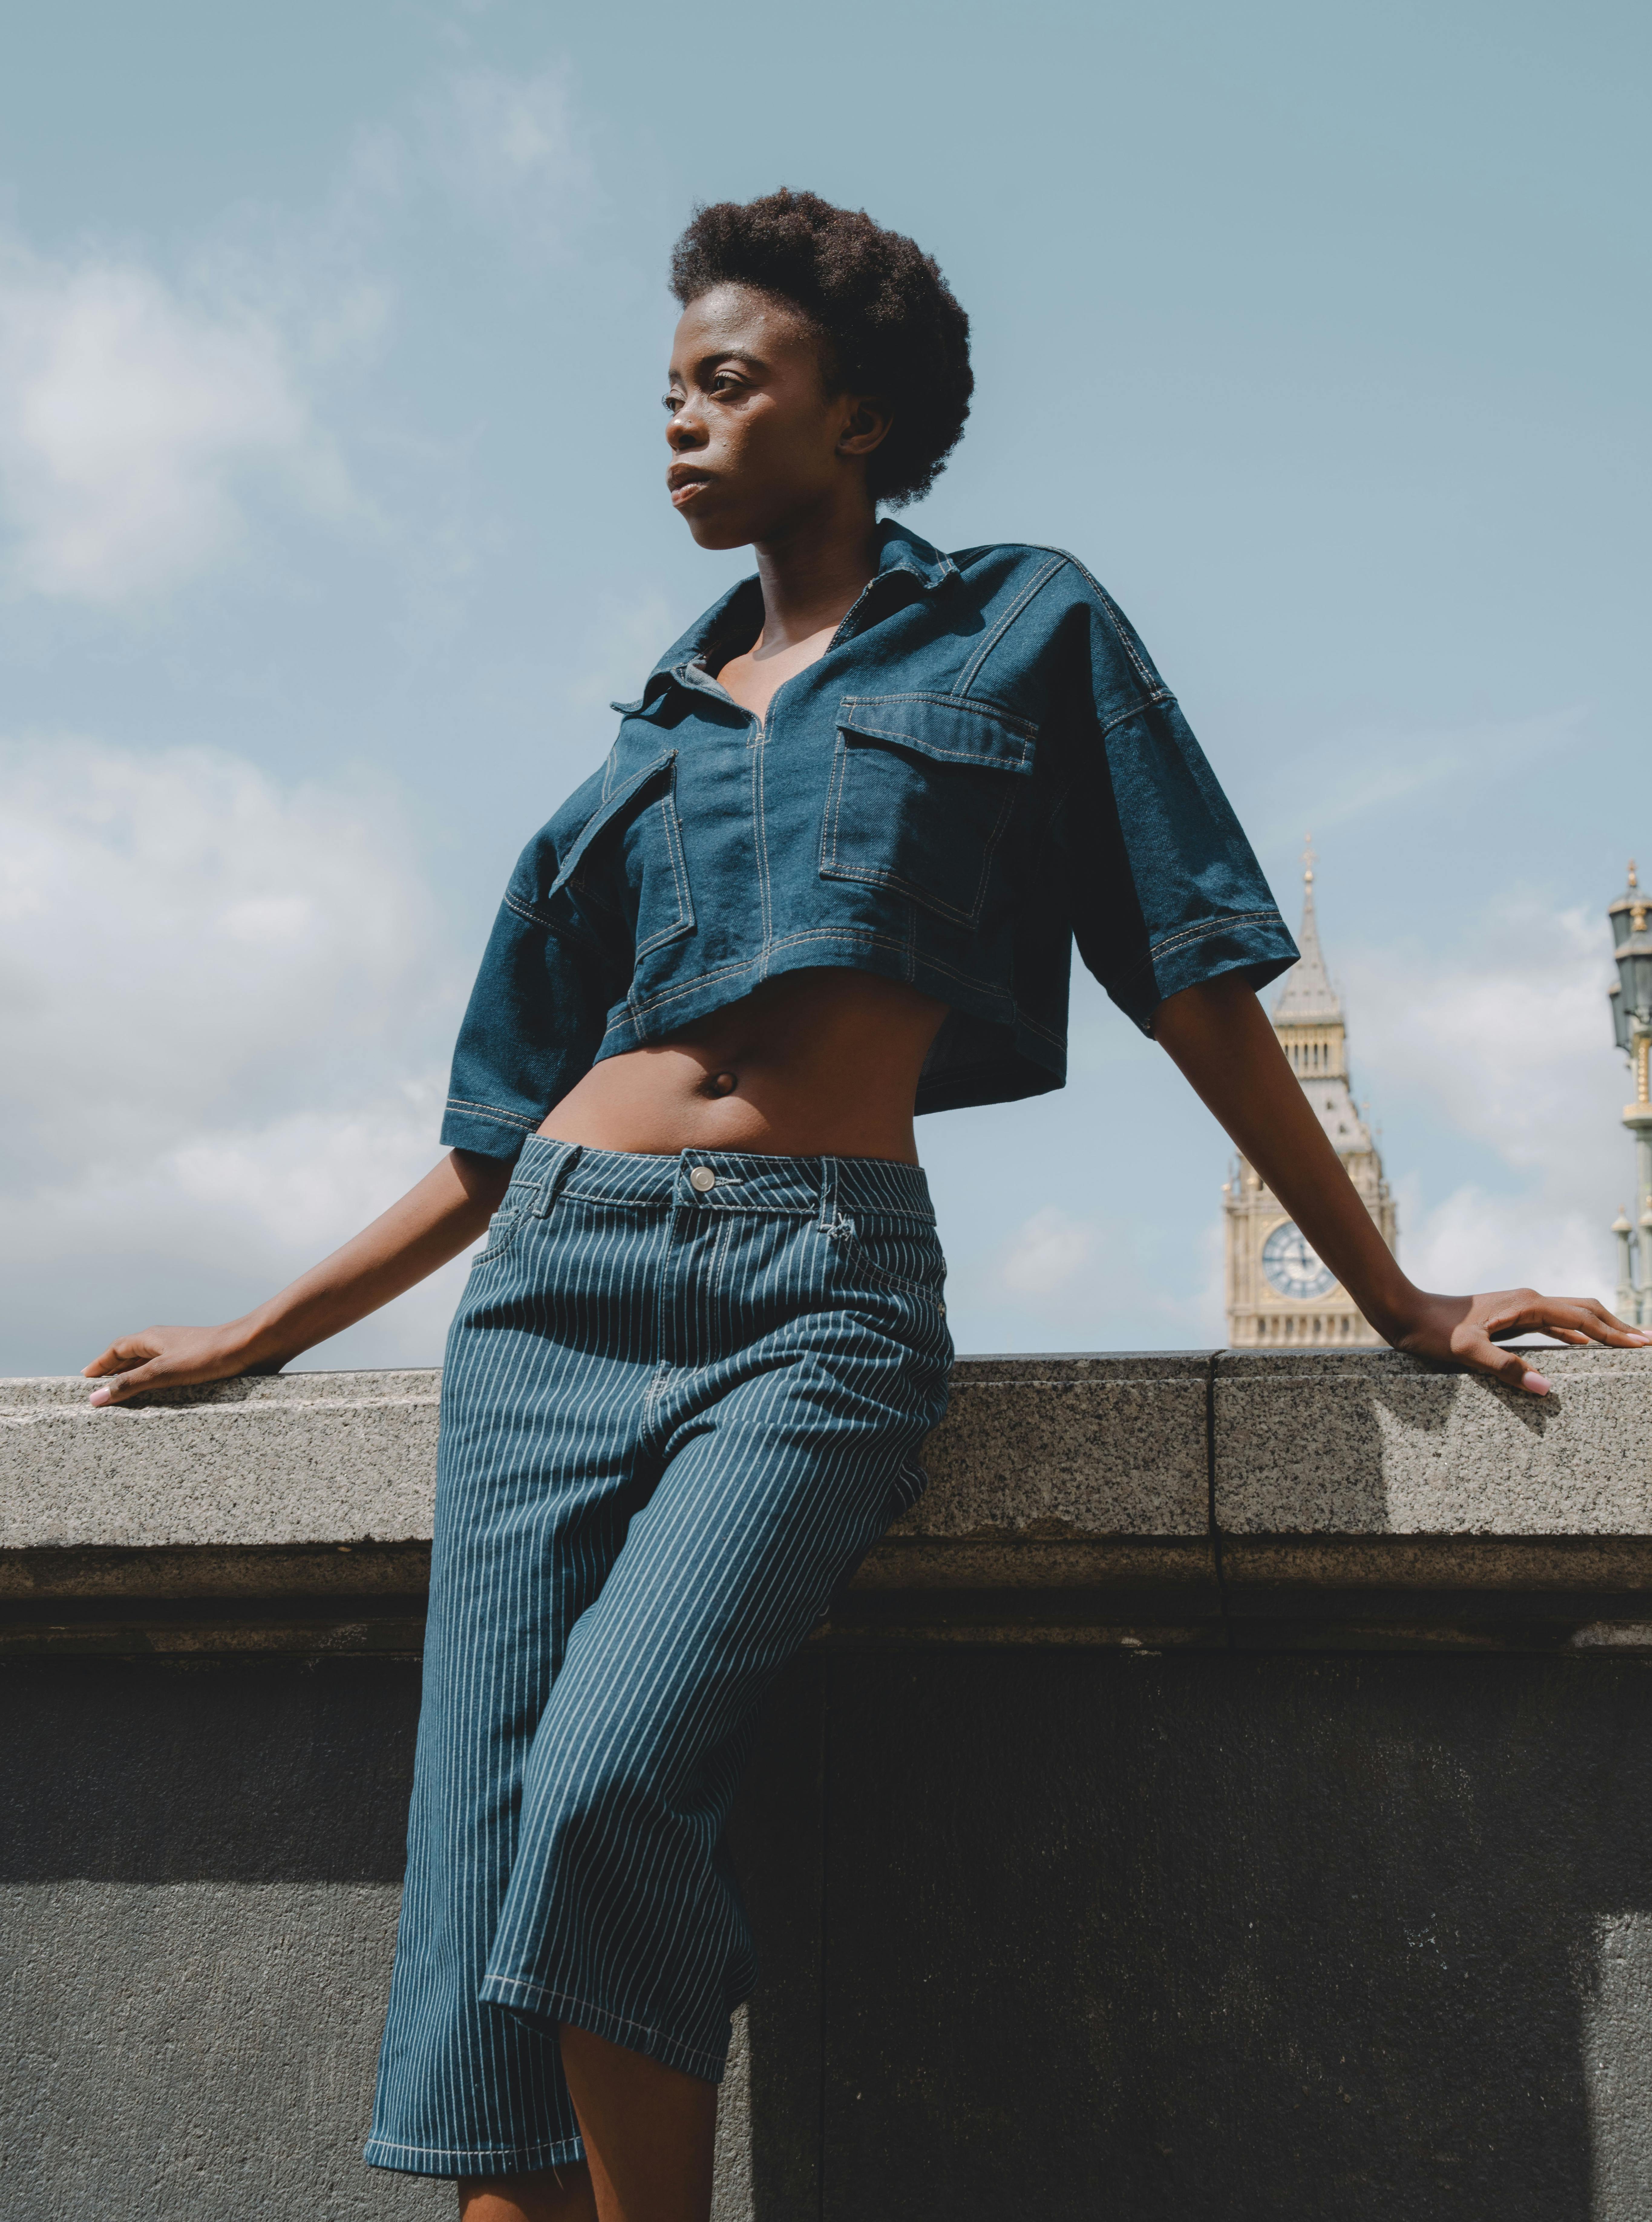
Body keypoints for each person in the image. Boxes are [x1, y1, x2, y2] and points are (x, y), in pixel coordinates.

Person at [83, 189, 1644, 2222]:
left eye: (727, 384)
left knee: (601, 1789)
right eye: (666, 391)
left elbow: (1192, 979)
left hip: (813, 1306)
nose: (677, 422)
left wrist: (1400, 1299)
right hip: (547, 1300)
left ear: (861, 420)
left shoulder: (1021, 623)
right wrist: (259, 1334)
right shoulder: (638, 742)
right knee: (478, 1884)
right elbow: (496, 1131)